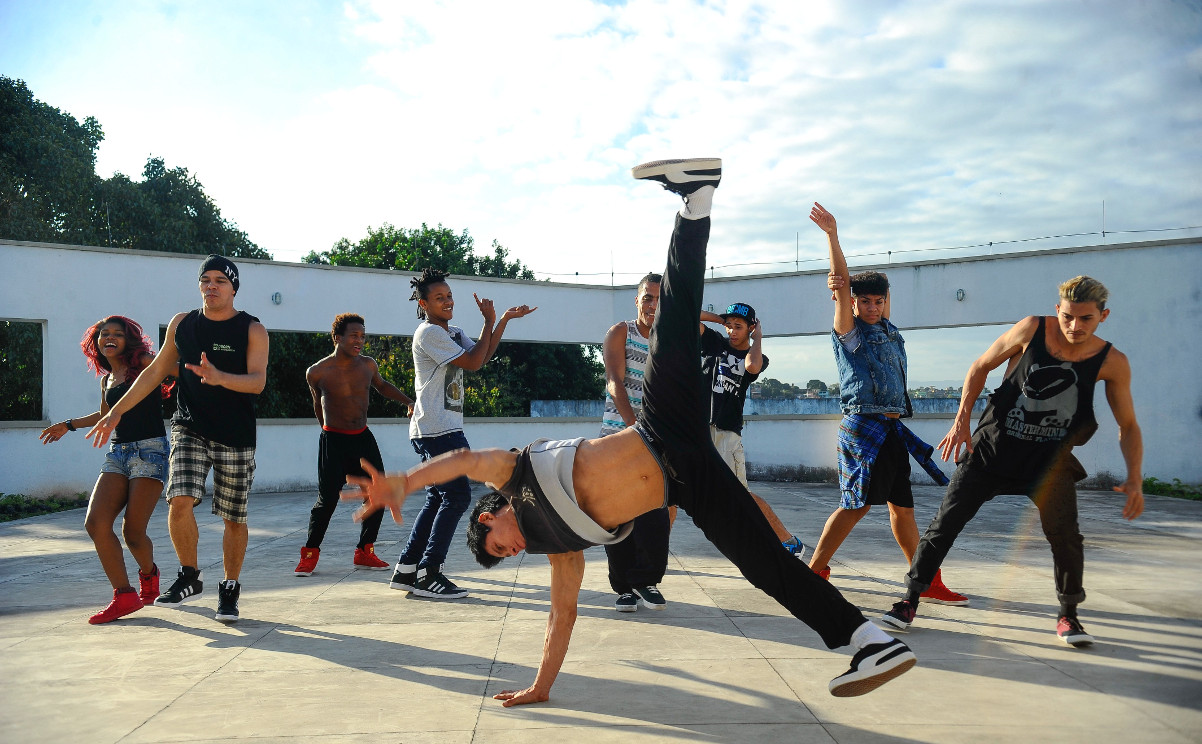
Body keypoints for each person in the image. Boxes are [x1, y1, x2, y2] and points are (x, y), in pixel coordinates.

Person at [347, 159, 916, 706]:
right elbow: (561, 618)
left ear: (489, 514)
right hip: (687, 482)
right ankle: (868, 641)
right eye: (507, 555)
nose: (513, 548)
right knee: (763, 565)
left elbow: (464, 463)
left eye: (499, 542)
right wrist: (541, 686)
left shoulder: (512, 475)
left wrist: (404, 481)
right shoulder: (561, 548)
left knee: (670, 320)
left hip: (660, 429)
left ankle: (695, 203)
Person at [881, 276, 1144, 647]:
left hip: (1048, 465)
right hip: (991, 452)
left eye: (1086, 319)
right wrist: (961, 420)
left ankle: (1069, 616)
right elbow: (980, 365)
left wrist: (1135, 476)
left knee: (1066, 537)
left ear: (1103, 316)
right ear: (1058, 310)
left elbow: (1128, 425)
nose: (1075, 326)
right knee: (945, 525)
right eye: (1068, 317)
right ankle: (908, 601)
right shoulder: (1032, 329)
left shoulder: (1111, 361)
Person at [89, 254, 268, 623]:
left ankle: (230, 585)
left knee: (233, 516)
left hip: (235, 435)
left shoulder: (252, 329)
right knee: (180, 500)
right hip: (189, 427)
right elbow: (155, 371)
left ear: (233, 287)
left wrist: (220, 378)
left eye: (220, 280)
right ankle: (189, 575)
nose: (211, 286)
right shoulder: (183, 324)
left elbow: (257, 382)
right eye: (206, 280)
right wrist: (116, 410)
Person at [805, 204, 966, 606]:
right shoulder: (851, 334)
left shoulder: (888, 329)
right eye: (866, 302)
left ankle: (924, 579)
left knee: (903, 509)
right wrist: (832, 236)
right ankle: (813, 573)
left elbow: (873, 291)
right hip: (863, 428)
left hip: (892, 429)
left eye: (879, 301)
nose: (873, 308)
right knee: (855, 506)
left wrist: (877, 290)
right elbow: (842, 285)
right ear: (855, 305)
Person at [387, 268, 536, 599]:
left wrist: (501, 320)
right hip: (437, 429)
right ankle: (429, 571)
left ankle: (408, 569)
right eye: (439, 298)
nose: (447, 302)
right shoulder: (428, 333)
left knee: (439, 497)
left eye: (449, 295)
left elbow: (480, 357)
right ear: (424, 303)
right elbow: (471, 362)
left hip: (441, 427)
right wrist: (491, 323)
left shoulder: (452, 332)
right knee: (456, 497)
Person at [40, 316, 170, 624]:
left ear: (129, 340)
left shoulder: (143, 362)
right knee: (96, 523)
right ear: (96, 343)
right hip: (118, 453)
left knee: (133, 532)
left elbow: (170, 369)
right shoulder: (107, 379)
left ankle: (149, 576)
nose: (109, 338)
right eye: (103, 334)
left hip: (150, 451)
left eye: (117, 334)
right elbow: (105, 415)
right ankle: (124, 595)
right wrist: (69, 425)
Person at [296, 313, 415, 576]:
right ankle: (309, 555)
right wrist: (326, 434)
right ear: (337, 337)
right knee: (326, 502)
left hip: (362, 439)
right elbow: (318, 404)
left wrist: (408, 401)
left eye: (362, 336)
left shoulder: (368, 365)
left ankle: (364, 552)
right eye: (354, 335)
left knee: (378, 492)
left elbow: (382, 387)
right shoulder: (316, 372)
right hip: (333, 441)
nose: (359, 340)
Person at [699, 302, 808, 557]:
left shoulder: (755, 355)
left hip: (726, 434)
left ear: (751, 328)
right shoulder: (715, 342)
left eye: (739, 327)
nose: (732, 332)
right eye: (730, 326)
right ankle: (748, 542)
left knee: (741, 496)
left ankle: (789, 542)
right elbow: (688, 312)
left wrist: (757, 337)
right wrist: (720, 319)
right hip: (700, 429)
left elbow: (752, 367)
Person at [599, 274, 673, 612]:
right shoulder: (620, 332)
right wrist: (634, 427)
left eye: (660, 299)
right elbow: (615, 382)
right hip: (618, 436)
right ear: (637, 300)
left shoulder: (669, 338)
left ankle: (646, 579)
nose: (653, 305)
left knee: (655, 512)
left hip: (654, 439)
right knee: (617, 515)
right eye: (648, 298)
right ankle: (624, 588)